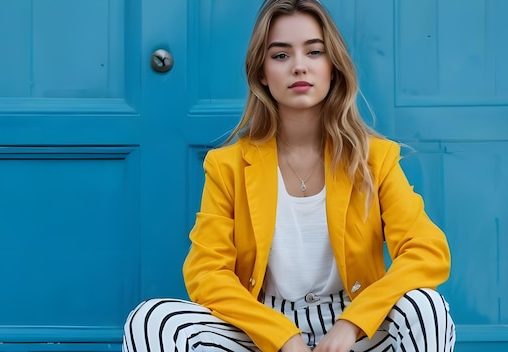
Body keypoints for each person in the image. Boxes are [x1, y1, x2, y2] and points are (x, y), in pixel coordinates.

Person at [123, 0, 456, 351]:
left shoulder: (374, 158)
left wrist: (352, 324)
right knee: (152, 321)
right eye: (281, 56)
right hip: (262, 326)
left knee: (426, 309)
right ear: (262, 73)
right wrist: (282, 336)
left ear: (333, 67)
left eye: (314, 52)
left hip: (356, 325)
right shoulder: (227, 165)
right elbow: (207, 272)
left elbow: (426, 251)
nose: (299, 67)